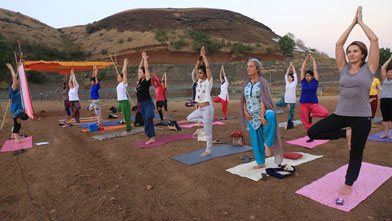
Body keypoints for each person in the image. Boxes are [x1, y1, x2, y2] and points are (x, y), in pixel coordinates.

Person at [307, 6, 379, 195]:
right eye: (350, 51)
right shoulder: (343, 68)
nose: (351, 53)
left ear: (363, 54)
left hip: (361, 118)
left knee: (355, 153)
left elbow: (374, 40)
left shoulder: (369, 68)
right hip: (341, 114)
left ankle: (349, 182)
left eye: (355, 51)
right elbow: (338, 44)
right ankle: (344, 134)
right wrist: (351, 23)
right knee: (313, 131)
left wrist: (361, 22)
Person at [240, 58, 283, 168]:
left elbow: (264, 98)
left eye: (251, 66)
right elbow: (244, 99)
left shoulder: (262, 82)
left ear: (257, 69)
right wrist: (245, 112)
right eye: (247, 66)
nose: (248, 68)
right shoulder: (246, 84)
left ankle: (268, 145)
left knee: (271, 116)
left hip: (262, 111)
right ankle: (260, 162)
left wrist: (261, 114)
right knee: (255, 139)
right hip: (251, 115)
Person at [187, 46, 214, 156]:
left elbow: (207, 67)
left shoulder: (208, 82)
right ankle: (204, 121)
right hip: (200, 109)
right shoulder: (197, 82)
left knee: (208, 132)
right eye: (198, 73)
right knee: (189, 118)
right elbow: (196, 67)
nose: (198, 75)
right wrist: (199, 58)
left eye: (200, 73)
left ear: (204, 75)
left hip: (207, 109)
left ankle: (208, 150)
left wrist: (204, 57)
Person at [299, 53, 329, 141]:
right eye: (306, 76)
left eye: (309, 76)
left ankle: (311, 114)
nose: (307, 77)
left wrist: (313, 60)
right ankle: (311, 136)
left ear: (312, 76)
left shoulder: (315, 82)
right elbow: (302, 70)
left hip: (313, 103)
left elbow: (315, 69)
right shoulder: (303, 82)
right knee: (306, 122)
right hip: (303, 104)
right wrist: (305, 60)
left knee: (325, 113)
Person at [6, 63, 29, 144]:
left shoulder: (18, 90)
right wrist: (11, 68)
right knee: (24, 117)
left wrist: (19, 68)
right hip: (16, 110)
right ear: (13, 82)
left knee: (17, 123)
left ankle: (15, 136)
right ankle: (15, 137)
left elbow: (21, 81)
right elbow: (14, 78)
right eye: (17, 81)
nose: (18, 81)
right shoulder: (12, 89)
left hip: (19, 109)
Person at [136, 51, 156, 144]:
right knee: (146, 120)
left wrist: (145, 60)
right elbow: (139, 68)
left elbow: (146, 68)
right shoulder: (139, 81)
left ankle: (151, 137)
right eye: (139, 72)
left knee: (148, 117)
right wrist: (141, 59)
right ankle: (151, 137)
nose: (139, 73)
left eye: (141, 72)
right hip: (142, 104)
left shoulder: (147, 80)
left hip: (148, 103)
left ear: (144, 74)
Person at [275, 62, 297, 129]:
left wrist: (292, 66)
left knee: (291, 112)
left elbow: (295, 74)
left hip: (292, 100)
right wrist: (289, 67)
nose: (288, 78)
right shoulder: (287, 82)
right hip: (285, 99)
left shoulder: (294, 83)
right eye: (288, 77)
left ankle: (290, 123)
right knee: (278, 103)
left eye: (290, 77)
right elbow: (286, 75)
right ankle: (282, 108)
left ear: (292, 78)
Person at [116, 58, 132, 132]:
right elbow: (122, 72)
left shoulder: (123, 83)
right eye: (118, 76)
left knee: (127, 116)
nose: (117, 77)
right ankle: (124, 121)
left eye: (119, 77)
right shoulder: (119, 84)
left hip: (124, 102)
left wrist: (125, 64)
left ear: (122, 78)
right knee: (118, 111)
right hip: (120, 102)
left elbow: (124, 72)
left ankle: (128, 129)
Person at [379, 54, 392, 138]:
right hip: (383, 100)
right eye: (389, 72)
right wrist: (390, 58)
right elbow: (383, 68)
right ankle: (385, 134)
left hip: (391, 100)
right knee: (385, 118)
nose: (390, 73)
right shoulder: (384, 80)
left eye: (391, 72)